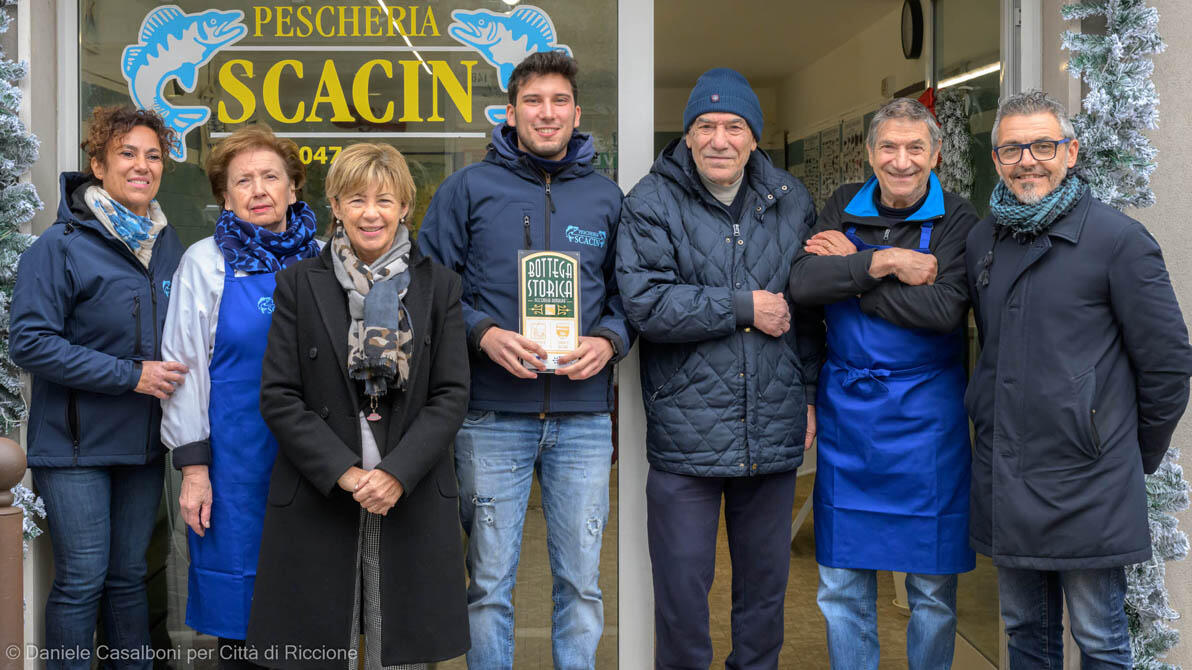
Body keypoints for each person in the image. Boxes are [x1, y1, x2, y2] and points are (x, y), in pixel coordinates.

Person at [417, 51, 631, 669]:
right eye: (533, 101)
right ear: (510, 112)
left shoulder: (605, 198)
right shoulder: (468, 190)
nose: (547, 112)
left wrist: (610, 339)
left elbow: (627, 295)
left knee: (583, 586)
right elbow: (430, 287)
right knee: (487, 588)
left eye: (559, 100)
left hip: (584, 422)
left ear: (576, 112)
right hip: (489, 417)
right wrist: (482, 334)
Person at [966, 90, 1192, 668]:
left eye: (1043, 145)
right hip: (1009, 474)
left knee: (1100, 639)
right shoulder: (982, 241)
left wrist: (1122, 451)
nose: (1028, 160)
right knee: (1024, 633)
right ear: (995, 160)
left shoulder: (1118, 241)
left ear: (1071, 153)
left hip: (1089, 482)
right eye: (1012, 148)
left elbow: (1167, 364)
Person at [615, 67, 821, 670]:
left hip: (774, 427)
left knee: (764, 597)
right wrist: (744, 307)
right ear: (686, 135)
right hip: (687, 435)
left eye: (734, 126)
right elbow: (647, 303)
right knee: (681, 596)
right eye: (705, 126)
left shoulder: (791, 200)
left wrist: (807, 394)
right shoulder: (651, 201)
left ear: (754, 137)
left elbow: (807, 315)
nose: (719, 139)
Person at [245, 142, 469, 669]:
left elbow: (451, 394)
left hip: (407, 495)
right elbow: (279, 395)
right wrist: (345, 472)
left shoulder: (439, 287)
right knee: (322, 653)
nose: (372, 213)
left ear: (404, 208)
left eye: (385, 200)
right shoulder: (299, 284)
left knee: (405, 657)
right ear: (336, 206)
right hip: (323, 493)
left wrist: (396, 473)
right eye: (357, 199)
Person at [786, 97, 979, 670]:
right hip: (850, 415)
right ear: (869, 153)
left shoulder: (958, 219)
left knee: (932, 595)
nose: (901, 160)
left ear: (936, 154)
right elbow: (803, 283)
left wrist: (852, 269)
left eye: (915, 147)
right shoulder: (842, 203)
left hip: (929, 421)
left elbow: (943, 310)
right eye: (888, 147)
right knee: (842, 590)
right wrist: (887, 262)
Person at [9, 105, 186, 667]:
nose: (142, 166)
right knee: (82, 580)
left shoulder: (166, 243)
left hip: (142, 445)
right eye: (127, 154)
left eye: (153, 156)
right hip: (75, 448)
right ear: (98, 165)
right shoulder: (58, 246)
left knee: (129, 577)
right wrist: (130, 375)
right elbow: (30, 342)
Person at [159, 124, 319, 667]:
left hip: (316, 462)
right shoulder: (204, 263)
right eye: (242, 181)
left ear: (294, 188)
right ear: (224, 196)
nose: (258, 190)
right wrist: (195, 470)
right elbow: (184, 374)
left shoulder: (325, 260)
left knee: (311, 603)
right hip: (234, 464)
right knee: (242, 621)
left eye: (271, 177)